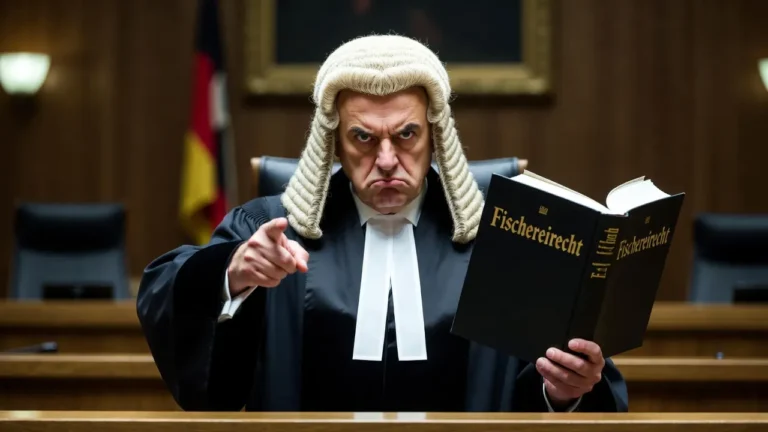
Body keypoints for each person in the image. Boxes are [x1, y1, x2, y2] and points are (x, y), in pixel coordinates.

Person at [137, 34, 629, 413]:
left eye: (407, 134)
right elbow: (167, 294)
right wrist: (233, 273)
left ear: (435, 134)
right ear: (334, 141)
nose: (388, 159)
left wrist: (561, 391)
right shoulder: (271, 227)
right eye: (363, 137)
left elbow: (543, 384)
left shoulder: (503, 236)